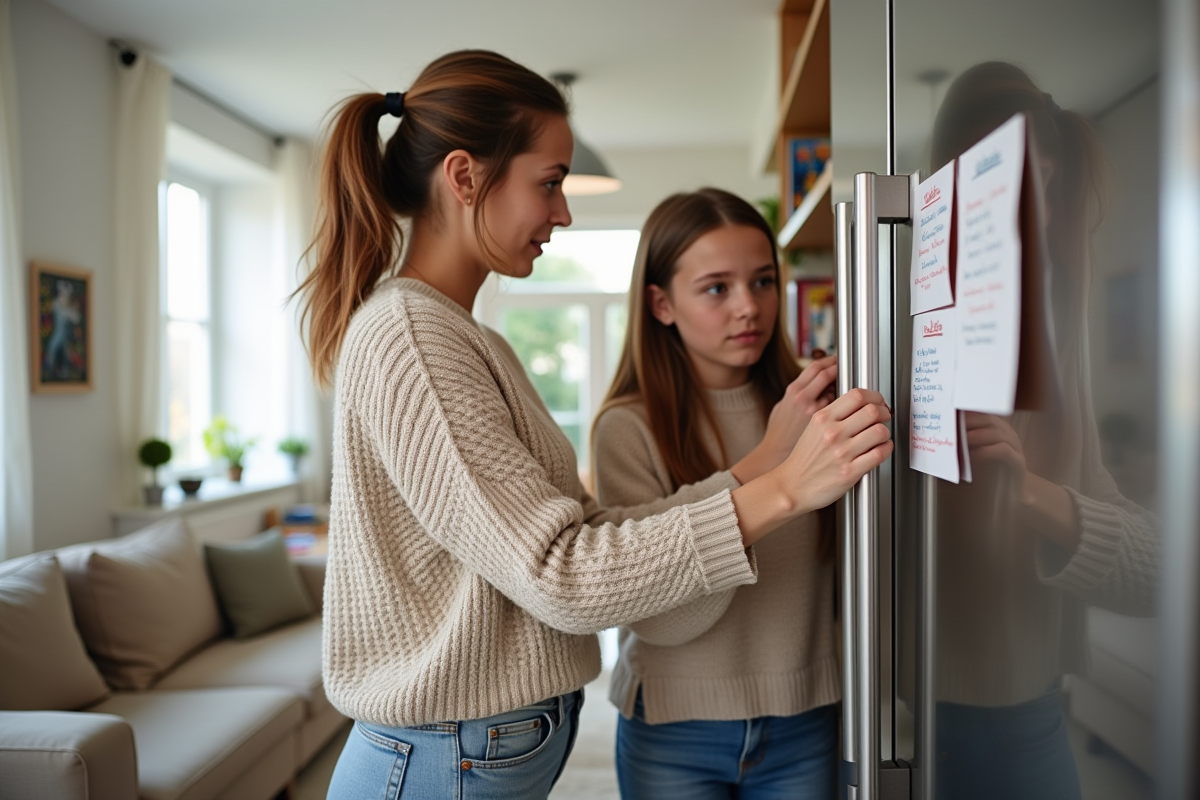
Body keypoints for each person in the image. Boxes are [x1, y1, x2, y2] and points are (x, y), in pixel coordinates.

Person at [294, 50, 892, 800]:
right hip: (448, 756)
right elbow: (563, 573)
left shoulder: (460, 334)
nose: (564, 212)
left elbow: (581, 532)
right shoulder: (414, 337)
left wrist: (758, 466)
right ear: (464, 176)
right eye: (550, 182)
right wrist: (781, 492)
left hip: (466, 751)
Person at [918, 61, 1159, 800]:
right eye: (1009, 186)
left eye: (1045, 187)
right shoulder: (895, 327)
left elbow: (1155, 574)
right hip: (879, 706)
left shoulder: (1055, 355)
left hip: (1017, 711)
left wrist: (1029, 496)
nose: (1029, 212)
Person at [592, 188, 841, 799]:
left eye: (762, 282)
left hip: (807, 717)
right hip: (674, 729)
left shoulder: (819, 403)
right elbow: (653, 613)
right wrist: (766, 461)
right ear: (661, 303)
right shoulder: (626, 427)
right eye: (716, 288)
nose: (748, 308)